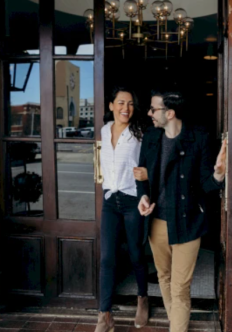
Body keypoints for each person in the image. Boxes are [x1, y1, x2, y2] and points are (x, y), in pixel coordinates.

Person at [134, 89, 227, 332]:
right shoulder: (151, 138)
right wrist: (142, 195)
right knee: (164, 278)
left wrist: (218, 173)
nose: (149, 113)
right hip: (157, 222)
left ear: (170, 112)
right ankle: (176, 322)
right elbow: (142, 176)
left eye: (153, 109)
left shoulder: (198, 137)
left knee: (180, 286)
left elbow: (207, 184)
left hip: (188, 222)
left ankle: (177, 328)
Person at [95, 86, 149, 332]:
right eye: (120, 103)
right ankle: (104, 316)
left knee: (136, 253)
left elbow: (150, 162)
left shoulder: (139, 133)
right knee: (107, 258)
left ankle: (143, 298)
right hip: (110, 201)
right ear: (111, 106)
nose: (125, 108)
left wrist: (146, 178)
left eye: (129, 103)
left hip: (131, 200)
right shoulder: (104, 131)